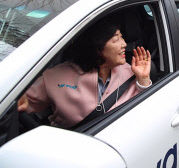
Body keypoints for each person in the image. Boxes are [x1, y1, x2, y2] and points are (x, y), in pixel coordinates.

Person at [17, 16, 152, 129]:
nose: (124, 44)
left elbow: (147, 111)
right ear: (97, 47)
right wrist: (19, 97)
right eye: (116, 40)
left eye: (122, 37)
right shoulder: (54, 76)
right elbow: (21, 103)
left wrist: (143, 80)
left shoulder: (131, 72)